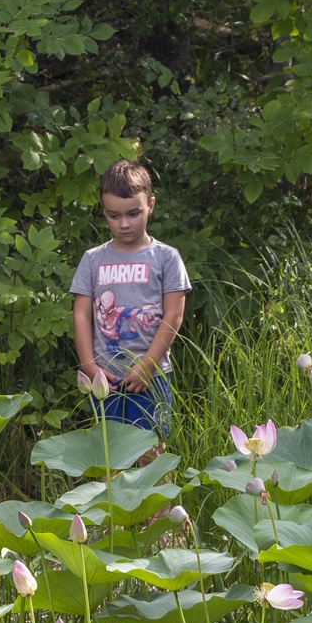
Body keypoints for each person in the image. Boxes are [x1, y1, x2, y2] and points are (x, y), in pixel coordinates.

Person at [71, 159, 191, 440]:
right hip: (106, 380)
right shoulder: (92, 260)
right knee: (108, 456)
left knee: (151, 455)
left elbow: (174, 315)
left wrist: (147, 366)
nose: (124, 224)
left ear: (151, 205)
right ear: (103, 211)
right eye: (114, 216)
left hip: (151, 376)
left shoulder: (166, 258)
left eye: (133, 214)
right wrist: (90, 367)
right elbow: (81, 315)